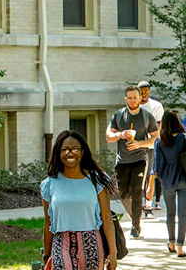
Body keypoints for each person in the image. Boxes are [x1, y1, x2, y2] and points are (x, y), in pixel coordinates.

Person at [42, 130, 118, 270]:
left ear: (82, 152)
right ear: (58, 153)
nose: (70, 154)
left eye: (75, 149)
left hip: (92, 244)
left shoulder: (97, 180)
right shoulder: (49, 185)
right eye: (64, 150)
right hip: (61, 243)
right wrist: (46, 255)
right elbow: (48, 222)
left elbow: (106, 217)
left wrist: (113, 253)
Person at [106, 85, 159, 238]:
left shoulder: (146, 116)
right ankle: (134, 214)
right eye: (129, 98)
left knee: (137, 192)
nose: (133, 100)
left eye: (135, 97)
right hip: (122, 161)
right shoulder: (118, 115)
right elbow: (109, 136)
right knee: (123, 194)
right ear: (125, 99)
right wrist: (120, 134)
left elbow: (156, 138)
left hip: (140, 159)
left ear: (140, 98)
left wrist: (140, 143)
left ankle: (135, 225)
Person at [152, 110, 186, 257]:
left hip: (167, 182)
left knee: (170, 214)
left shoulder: (159, 142)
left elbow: (157, 166)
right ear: (177, 121)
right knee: (182, 215)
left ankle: (171, 242)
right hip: (184, 179)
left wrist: (154, 182)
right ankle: (180, 246)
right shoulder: (184, 137)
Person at [138, 81, 165, 216]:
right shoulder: (133, 106)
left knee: (151, 176)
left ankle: (148, 206)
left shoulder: (156, 106)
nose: (143, 94)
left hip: (152, 145)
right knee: (139, 176)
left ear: (149, 91)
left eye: (146, 91)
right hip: (137, 146)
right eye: (141, 92)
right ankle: (138, 205)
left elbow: (159, 127)